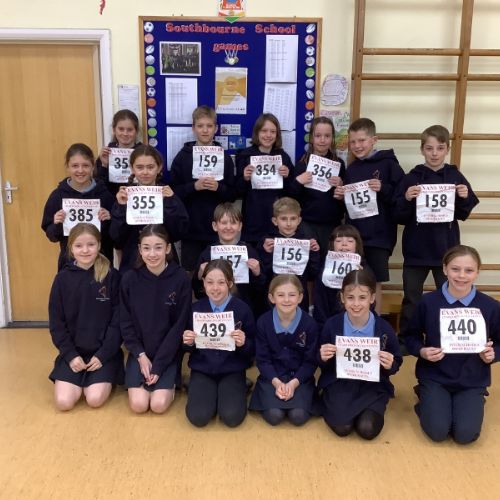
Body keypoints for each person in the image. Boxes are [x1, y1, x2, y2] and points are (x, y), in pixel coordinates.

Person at [403, 245, 499, 444]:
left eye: (469, 270)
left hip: (472, 379)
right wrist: (422, 351)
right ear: (445, 269)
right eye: (455, 269)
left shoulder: (490, 306)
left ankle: (472, 400)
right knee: (438, 432)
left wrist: (493, 354)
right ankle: (425, 397)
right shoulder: (428, 302)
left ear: (477, 272)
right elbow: (410, 337)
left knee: (465, 435)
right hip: (435, 377)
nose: (461, 276)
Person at [394, 125, 479, 340]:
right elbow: (398, 215)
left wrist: (464, 197)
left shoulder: (455, 176)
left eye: (440, 148)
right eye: (429, 148)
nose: (434, 153)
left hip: (446, 251)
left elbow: (463, 213)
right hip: (416, 250)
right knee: (411, 297)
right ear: (422, 149)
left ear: (447, 150)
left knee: (450, 296)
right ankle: (407, 339)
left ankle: (449, 339)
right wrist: (406, 198)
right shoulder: (411, 178)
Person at [318, 269, 402, 439]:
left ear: (372, 298)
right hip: (339, 382)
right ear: (342, 298)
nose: (356, 304)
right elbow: (322, 363)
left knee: (367, 429)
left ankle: (365, 409)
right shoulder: (332, 325)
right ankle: (334, 402)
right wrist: (322, 357)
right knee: (342, 428)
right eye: (350, 298)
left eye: (362, 298)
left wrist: (390, 364)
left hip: (372, 385)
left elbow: (396, 361)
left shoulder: (384, 328)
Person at [48, 223, 123, 411]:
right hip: (73, 352)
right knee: (64, 403)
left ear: (99, 245)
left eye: (91, 244)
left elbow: (118, 321)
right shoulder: (62, 279)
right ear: (71, 248)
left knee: (94, 400)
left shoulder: (112, 276)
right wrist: (71, 356)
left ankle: (104, 376)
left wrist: (103, 355)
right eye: (79, 245)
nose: (85, 250)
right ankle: (75, 376)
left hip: (104, 354)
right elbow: (57, 324)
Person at [334, 118, 405, 313]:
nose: (357, 146)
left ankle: (376, 324)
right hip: (355, 237)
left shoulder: (389, 165)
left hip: (379, 237)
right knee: (351, 280)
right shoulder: (351, 169)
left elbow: (402, 198)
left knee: (375, 282)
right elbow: (349, 205)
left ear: (374, 140)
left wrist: (383, 188)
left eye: (362, 140)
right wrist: (340, 197)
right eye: (353, 142)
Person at [120, 224, 191, 414]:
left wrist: (159, 365)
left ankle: (171, 383)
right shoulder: (129, 279)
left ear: (168, 248)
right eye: (146, 248)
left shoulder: (181, 278)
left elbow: (179, 327)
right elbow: (125, 322)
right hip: (140, 353)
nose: (152, 254)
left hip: (167, 353)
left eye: (158, 247)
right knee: (139, 405)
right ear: (140, 249)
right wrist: (140, 356)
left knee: (158, 405)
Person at [183, 259, 256, 427]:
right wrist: (188, 342)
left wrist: (244, 343)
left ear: (230, 283)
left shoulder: (243, 309)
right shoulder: (195, 309)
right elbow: (186, 347)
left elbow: (253, 349)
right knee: (198, 417)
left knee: (232, 417)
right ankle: (197, 387)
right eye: (210, 282)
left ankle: (241, 386)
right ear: (203, 283)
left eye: (221, 282)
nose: (215, 288)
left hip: (232, 369)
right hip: (203, 369)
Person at [169, 105, 235, 275]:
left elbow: (233, 194)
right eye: (200, 126)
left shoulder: (224, 157)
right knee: (191, 273)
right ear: (193, 128)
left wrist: (219, 188)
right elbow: (172, 192)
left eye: (209, 126)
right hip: (190, 229)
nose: (205, 130)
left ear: (216, 128)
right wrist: (193, 187)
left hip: (218, 229)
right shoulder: (183, 157)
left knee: (217, 273)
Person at [249, 275, 319, 426]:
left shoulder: (309, 324)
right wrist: (277, 383)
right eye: (280, 295)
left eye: (292, 295)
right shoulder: (263, 322)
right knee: (274, 415)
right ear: (271, 298)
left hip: (300, 379)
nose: (286, 300)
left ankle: (299, 395)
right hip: (271, 378)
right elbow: (263, 360)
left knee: (298, 416)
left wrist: (293, 384)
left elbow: (310, 362)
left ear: (300, 297)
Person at [110, 144, 189, 273]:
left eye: (150, 167)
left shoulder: (168, 194)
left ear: (159, 168)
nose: (145, 172)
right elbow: (116, 237)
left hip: (164, 262)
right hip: (133, 262)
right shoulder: (125, 196)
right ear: (132, 168)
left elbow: (179, 232)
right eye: (140, 167)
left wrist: (169, 203)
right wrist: (121, 207)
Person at [41, 143, 114, 270]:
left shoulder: (105, 195)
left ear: (93, 166)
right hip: (69, 265)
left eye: (85, 165)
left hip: (100, 265)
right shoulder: (57, 196)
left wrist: (109, 219)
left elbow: (115, 236)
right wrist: (57, 224)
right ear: (68, 167)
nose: (80, 170)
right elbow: (51, 236)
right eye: (75, 166)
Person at [194, 202, 266, 313]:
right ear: (215, 226)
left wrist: (258, 274)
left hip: (243, 309)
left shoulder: (249, 252)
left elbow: (261, 291)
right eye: (224, 223)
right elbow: (198, 293)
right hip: (215, 312)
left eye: (233, 223)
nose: (228, 227)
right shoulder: (207, 253)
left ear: (240, 226)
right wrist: (200, 275)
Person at [289, 117, 346, 256]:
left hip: (331, 224)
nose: (322, 140)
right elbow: (290, 198)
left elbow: (344, 201)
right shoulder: (302, 163)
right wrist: (298, 182)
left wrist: (341, 187)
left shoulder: (339, 164)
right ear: (311, 138)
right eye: (318, 135)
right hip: (306, 223)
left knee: (328, 261)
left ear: (332, 138)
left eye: (327, 136)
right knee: (310, 262)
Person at [235, 113, 294, 246]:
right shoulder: (245, 156)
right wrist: (244, 178)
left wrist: (287, 177)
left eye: (272, 131)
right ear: (257, 132)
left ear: (277, 135)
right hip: (253, 220)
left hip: (277, 223)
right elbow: (237, 192)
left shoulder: (283, 157)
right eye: (264, 131)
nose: (268, 135)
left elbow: (292, 193)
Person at [258, 197, 320, 310]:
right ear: (275, 221)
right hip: (274, 297)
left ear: (299, 220)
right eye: (283, 219)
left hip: (299, 297)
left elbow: (313, 273)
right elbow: (263, 275)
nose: (288, 223)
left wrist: (314, 253)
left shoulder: (306, 242)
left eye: (293, 218)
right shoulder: (267, 242)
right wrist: (266, 254)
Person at [313, 224, 367, 329]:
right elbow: (320, 304)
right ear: (332, 245)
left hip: (356, 325)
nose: (344, 244)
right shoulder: (324, 271)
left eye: (350, 241)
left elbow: (370, 304)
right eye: (338, 241)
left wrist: (362, 278)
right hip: (328, 324)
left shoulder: (364, 269)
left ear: (357, 245)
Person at [96, 109, 142, 196]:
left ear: (136, 131)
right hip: (111, 199)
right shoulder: (106, 153)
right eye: (121, 129)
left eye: (130, 130)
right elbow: (99, 185)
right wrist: (104, 165)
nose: (125, 133)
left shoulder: (144, 153)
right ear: (114, 130)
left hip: (137, 198)